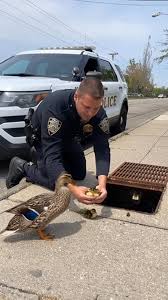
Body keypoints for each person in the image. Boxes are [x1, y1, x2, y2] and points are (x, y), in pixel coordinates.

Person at [6, 77, 110, 205]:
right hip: (44, 141)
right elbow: (52, 157)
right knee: (58, 184)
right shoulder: (56, 108)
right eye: (87, 107)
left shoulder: (98, 112)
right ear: (76, 96)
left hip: (67, 138)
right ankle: (23, 167)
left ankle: (48, 167)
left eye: (95, 108)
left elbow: (103, 149)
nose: (90, 114)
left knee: (79, 174)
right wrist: (73, 189)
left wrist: (102, 184)